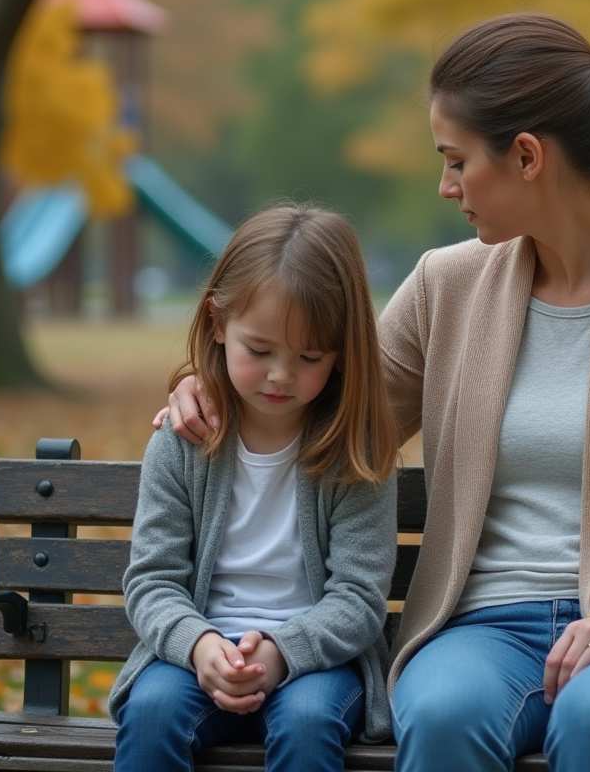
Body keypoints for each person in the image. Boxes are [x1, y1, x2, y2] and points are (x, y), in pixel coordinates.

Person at [161, 13, 590, 772]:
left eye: (457, 161)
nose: (446, 187)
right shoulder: (446, 287)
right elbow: (330, 401)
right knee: (442, 715)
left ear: (527, 156)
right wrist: (205, 385)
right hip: (482, 631)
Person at [112, 203, 400, 772]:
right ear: (218, 323)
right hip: (197, 652)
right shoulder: (182, 441)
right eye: (260, 351)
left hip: (314, 662)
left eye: (309, 357)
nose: (280, 375)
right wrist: (199, 646)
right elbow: (152, 579)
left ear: (342, 351)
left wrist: (279, 653)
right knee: (151, 713)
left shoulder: (355, 452)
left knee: (308, 723)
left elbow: (358, 598)